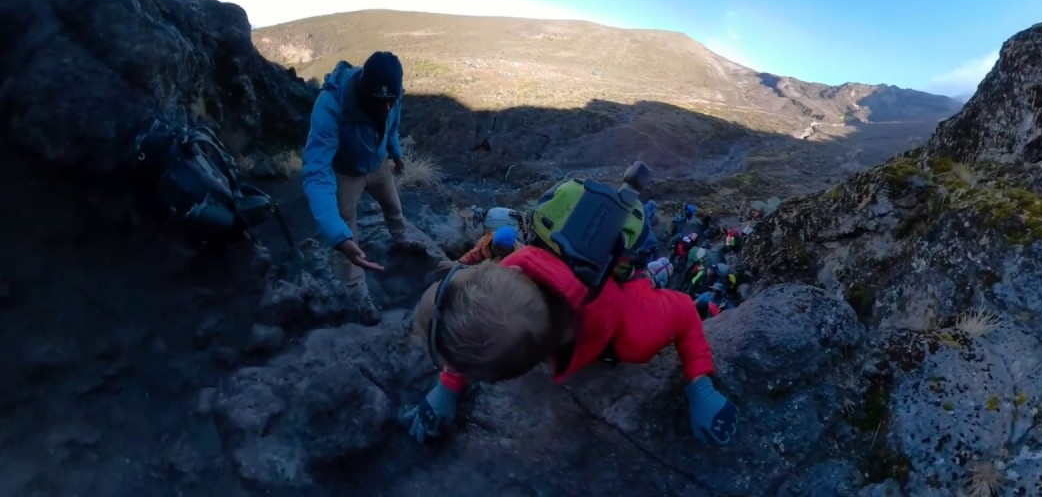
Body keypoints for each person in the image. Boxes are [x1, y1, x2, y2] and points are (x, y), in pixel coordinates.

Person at [400, 178, 740, 447]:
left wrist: (700, 384)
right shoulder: (513, 271)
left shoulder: (632, 334)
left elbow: (682, 309)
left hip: (627, 282)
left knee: (650, 283)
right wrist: (447, 385)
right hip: (587, 256)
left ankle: (656, 272)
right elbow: (475, 329)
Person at [301, 51, 428, 325]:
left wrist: (395, 152)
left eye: (390, 102)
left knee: (394, 207)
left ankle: (401, 240)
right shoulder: (330, 106)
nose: (385, 109)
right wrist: (336, 235)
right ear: (361, 92)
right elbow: (316, 173)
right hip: (345, 172)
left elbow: (390, 124)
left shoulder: (391, 94)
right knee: (347, 233)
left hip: (377, 162)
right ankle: (358, 293)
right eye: (377, 104)